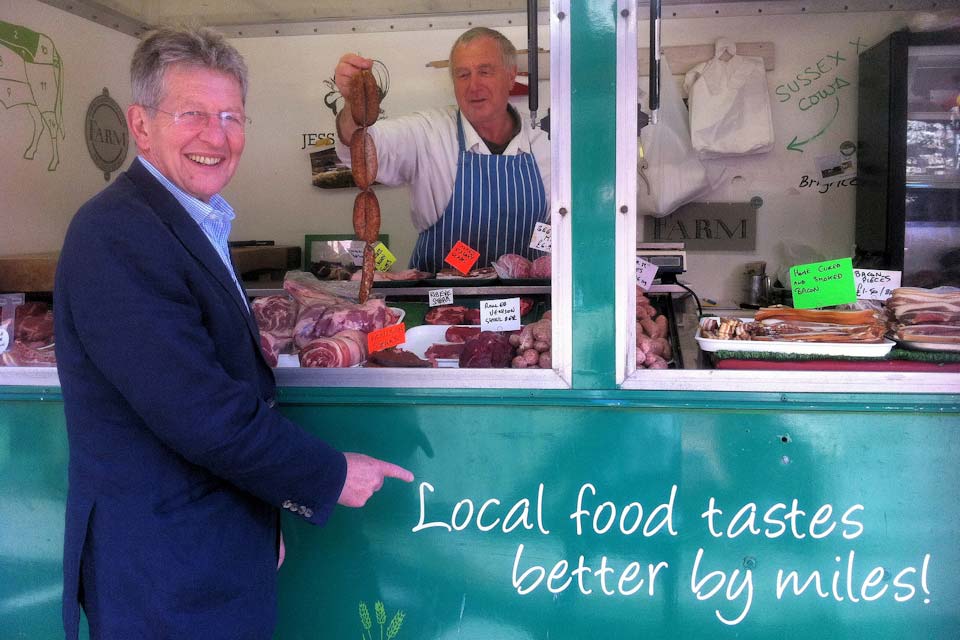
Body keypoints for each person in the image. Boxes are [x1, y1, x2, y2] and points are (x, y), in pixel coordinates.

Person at [54, 26, 413, 640]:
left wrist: (256, 525)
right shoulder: (116, 234)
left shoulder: (190, 220)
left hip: (208, 550)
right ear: (141, 125)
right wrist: (328, 475)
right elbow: (199, 411)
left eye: (231, 116)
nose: (216, 136)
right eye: (192, 114)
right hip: (163, 568)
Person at [333, 27, 551, 273]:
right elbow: (360, 145)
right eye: (463, 75)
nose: (473, 86)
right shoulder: (428, 132)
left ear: (511, 76)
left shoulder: (546, 146)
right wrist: (353, 106)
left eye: (485, 72)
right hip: (441, 304)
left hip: (529, 305)